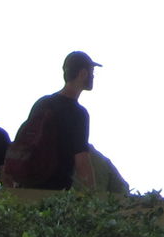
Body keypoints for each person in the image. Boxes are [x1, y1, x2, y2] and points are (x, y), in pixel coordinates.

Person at [6, 51, 100, 189]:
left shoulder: (42, 103)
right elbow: (82, 162)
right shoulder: (78, 114)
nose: (93, 76)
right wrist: (93, 196)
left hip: (29, 185)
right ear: (83, 73)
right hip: (54, 190)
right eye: (92, 72)